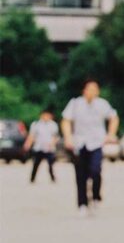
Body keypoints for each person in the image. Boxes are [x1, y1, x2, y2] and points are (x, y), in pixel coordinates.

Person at [61, 78, 118, 215]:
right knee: (80, 175)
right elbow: (66, 121)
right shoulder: (75, 104)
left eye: (95, 89)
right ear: (84, 90)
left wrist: (111, 134)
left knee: (95, 170)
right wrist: (68, 137)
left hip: (96, 143)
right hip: (79, 143)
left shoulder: (103, 104)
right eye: (90, 89)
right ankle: (82, 203)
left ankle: (96, 195)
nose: (93, 92)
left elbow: (114, 118)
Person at [25, 107, 59, 183]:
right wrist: (28, 144)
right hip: (38, 147)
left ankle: (53, 178)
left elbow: (55, 136)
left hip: (49, 148)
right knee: (36, 164)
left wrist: (52, 144)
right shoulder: (36, 124)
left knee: (50, 165)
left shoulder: (53, 125)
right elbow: (32, 136)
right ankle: (32, 179)